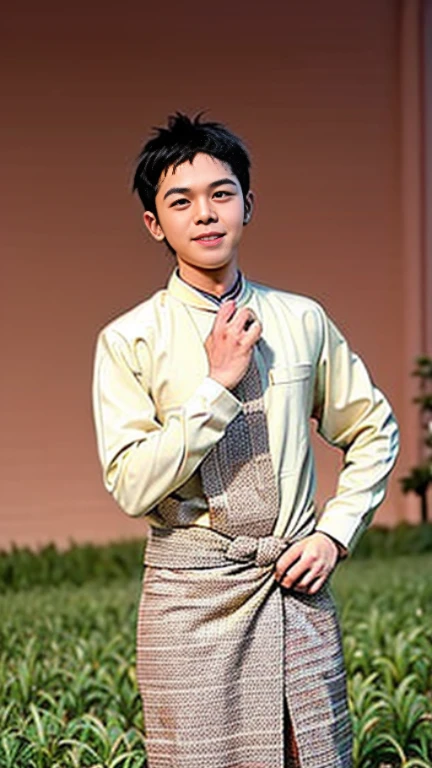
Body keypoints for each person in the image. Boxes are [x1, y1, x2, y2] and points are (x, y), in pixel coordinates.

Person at [92, 111, 399, 768]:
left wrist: (335, 533)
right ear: (155, 223)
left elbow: (374, 428)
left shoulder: (301, 319)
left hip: (294, 590)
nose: (205, 213)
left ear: (247, 205)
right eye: (181, 200)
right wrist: (218, 386)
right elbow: (130, 483)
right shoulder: (128, 340)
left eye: (221, 194)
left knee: (310, 754)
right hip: (190, 603)